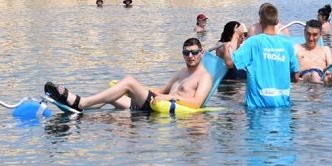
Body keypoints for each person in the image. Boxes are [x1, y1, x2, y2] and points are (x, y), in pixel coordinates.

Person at [44, 38, 213, 112]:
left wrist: (168, 98)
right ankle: (77, 105)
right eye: (186, 53)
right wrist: (134, 90)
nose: (190, 56)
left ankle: (80, 103)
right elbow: (161, 89)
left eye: (194, 52)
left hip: (168, 110)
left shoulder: (204, 77)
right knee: (114, 94)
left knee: (129, 80)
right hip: (156, 104)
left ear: (201, 53)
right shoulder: (182, 72)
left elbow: (196, 103)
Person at [223, 3, 300, 108]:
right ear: (277, 21)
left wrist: (236, 35)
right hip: (282, 108)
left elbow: (229, 63)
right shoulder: (287, 44)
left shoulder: (253, 42)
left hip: (257, 108)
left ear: (260, 21)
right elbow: (295, 77)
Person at [295, 20, 332, 84]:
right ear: (304, 32)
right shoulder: (296, 48)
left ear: (320, 34)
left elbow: (331, 67)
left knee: (326, 77)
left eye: (314, 35)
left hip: (321, 75)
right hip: (303, 77)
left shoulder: (325, 50)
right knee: (314, 75)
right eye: (308, 34)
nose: (311, 38)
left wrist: (328, 74)